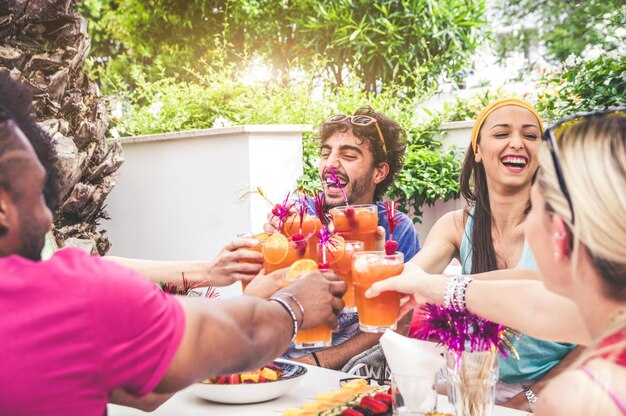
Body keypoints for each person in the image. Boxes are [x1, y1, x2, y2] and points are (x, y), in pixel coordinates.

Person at [0, 72, 346, 415]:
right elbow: (242, 332)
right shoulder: (69, 297)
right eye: (36, 195)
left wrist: (210, 273)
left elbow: (145, 393)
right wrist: (293, 305)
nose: (48, 217)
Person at [367, 108, 626, 415]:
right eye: (502, 133)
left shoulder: (581, 397)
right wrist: (415, 280)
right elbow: (533, 298)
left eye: (538, 210)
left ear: (559, 234)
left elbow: (535, 297)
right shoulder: (606, 315)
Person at [401, 98, 578, 409]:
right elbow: (412, 277)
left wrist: (530, 399)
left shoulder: (567, 226)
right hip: (478, 382)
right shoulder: (455, 225)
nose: (517, 143)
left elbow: (605, 333)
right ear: (478, 151)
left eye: (530, 135)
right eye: (501, 134)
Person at [262, 107, 421, 371]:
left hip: (354, 370)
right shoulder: (298, 218)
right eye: (326, 153)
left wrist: (317, 363)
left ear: (379, 172)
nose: (331, 164)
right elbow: (265, 301)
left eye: (347, 155)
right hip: (283, 366)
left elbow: (396, 322)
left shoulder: (397, 231)